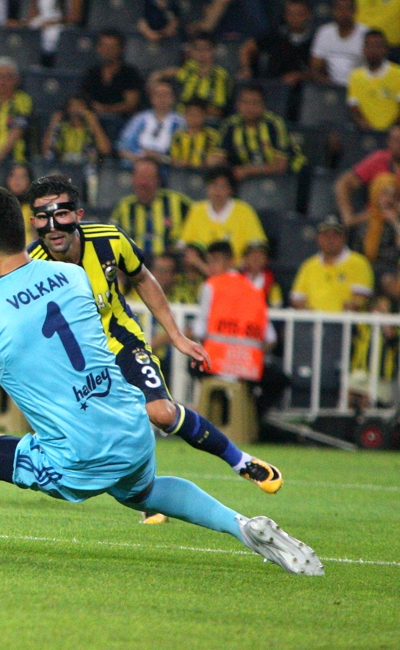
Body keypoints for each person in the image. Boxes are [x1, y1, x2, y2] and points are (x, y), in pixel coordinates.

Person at [0, 186, 322, 575]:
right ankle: (242, 526)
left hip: (75, 459)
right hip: (131, 430)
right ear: (23, 229)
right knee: (139, 492)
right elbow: (34, 314)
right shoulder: (73, 276)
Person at [25, 175, 283, 525]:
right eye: (43, 216)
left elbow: (143, 278)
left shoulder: (109, 239)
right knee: (99, 437)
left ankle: (242, 461)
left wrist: (175, 335)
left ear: (79, 215)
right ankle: (148, 496)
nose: (53, 226)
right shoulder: (31, 266)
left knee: (161, 413)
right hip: (78, 363)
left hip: (121, 341)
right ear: (33, 221)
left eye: (62, 214)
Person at [193, 240, 274, 382]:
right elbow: (271, 338)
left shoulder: (211, 285)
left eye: (216, 261)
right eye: (209, 262)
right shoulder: (255, 289)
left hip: (215, 364)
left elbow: (199, 330)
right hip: (249, 368)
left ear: (231, 262)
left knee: (192, 365)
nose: (211, 266)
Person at [208, 83, 307, 180]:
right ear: (238, 104)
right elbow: (216, 158)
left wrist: (248, 170)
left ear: (263, 105)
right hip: (243, 177)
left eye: (255, 102)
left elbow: (281, 165)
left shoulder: (275, 124)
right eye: (246, 102)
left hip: (284, 178)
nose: (250, 107)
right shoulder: (230, 124)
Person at [178, 166, 268, 266]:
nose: (218, 191)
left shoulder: (244, 211)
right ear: (207, 187)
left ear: (231, 190)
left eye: (223, 186)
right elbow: (184, 246)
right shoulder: (196, 210)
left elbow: (257, 248)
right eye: (214, 185)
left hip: (236, 271)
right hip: (202, 270)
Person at [112, 158, 192, 261]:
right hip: (133, 264)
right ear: (133, 178)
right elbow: (112, 240)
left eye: (149, 178)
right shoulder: (123, 207)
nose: (143, 183)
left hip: (170, 264)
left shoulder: (178, 202)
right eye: (140, 177)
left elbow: (196, 224)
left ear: (159, 180)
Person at [290, 215, 374, 311]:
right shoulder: (309, 265)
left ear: (344, 238)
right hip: (314, 323)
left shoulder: (359, 263)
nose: (330, 239)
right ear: (319, 238)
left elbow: (361, 298)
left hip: (347, 323)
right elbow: (297, 299)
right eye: (326, 235)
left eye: (335, 235)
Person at [79, 28, 144, 138]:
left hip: (123, 124)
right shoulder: (92, 73)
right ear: (98, 48)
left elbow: (131, 104)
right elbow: (83, 98)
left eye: (112, 47)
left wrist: (105, 109)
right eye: (104, 46)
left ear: (121, 49)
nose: (107, 51)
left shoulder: (130, 73)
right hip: (93, 123)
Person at [152, 31, 232, 118]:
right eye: (197, 49)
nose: (201, 53)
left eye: (206, 49)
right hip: (181, 119)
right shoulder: (183, 71)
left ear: (213, 50)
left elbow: (218, 109)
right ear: (191, 51)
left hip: (207, 120)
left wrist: (196, 114)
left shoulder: (220, 75)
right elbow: (157, 77)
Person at [334, 124, 400, 227]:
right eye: (396, 140)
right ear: (389, 142)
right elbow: (344, 183)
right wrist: (348, 216)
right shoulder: (379, 159)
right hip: (374, 219)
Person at [116, 80, 185, 165]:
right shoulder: (139, 119)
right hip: (137, 163)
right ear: (152, 98)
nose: (162, 98)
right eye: (158, 95)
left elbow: (182, 154)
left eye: (166, 94)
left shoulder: (180, 122)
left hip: (166, 166)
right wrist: (137, 158)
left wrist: (159, 158)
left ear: (173, 98)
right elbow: (122, 148)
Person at [346, 30, 400, 132]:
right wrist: (363, 123)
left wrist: (391, 129)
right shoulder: (356, 76)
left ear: (385, 49)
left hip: (393, 133)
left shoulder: (398, 74)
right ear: (364, 49)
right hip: (365, 133)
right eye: (369, 46)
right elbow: (353, 106)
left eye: (377, 46)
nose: (373, 50)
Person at [310, 0, 367, 87]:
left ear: (354, 11)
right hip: (330, 88)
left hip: (359, 86)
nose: (343, 13)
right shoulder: (324, 32)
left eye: (347, 9)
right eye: (339, 9)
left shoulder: (365, 33)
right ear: (333, 11)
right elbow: (316, 67)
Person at [41, 93, 110, 163]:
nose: (75, 109)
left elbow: (105, 151)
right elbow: (46, 152)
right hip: (63, 167)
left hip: (87, 168)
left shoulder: (93, 129)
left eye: (79, 106)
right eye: (72, 106)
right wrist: (53, 124)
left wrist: (94, 122)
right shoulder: (62, 128)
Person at [169, 98, 219, 169]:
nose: (193, 118)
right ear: (185, 115)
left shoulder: (212, 135)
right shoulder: (178, 136)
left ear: (205, 115)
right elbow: (173, 158)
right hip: (181, 172)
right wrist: (181, 163)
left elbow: (214, 157)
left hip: (204, 172)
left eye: (197, 114)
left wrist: (201, 163)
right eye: (191, 114)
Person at [242, 239, 283, 307]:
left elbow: (276, 306)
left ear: (267, 260)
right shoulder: (237, 278)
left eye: (260, 255)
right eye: (252, 255)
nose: (256, 258)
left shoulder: (274, 281)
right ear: (245, 259)